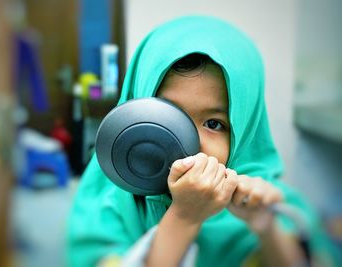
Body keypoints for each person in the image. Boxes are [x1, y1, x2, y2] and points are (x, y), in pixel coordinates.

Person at [67, 16, 339, 267]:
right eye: (167, 115)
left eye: (214, 124)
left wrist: (266, 227)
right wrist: (184, 217)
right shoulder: (106, 200)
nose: (186, 144)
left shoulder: (263, 199)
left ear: (244, 131)